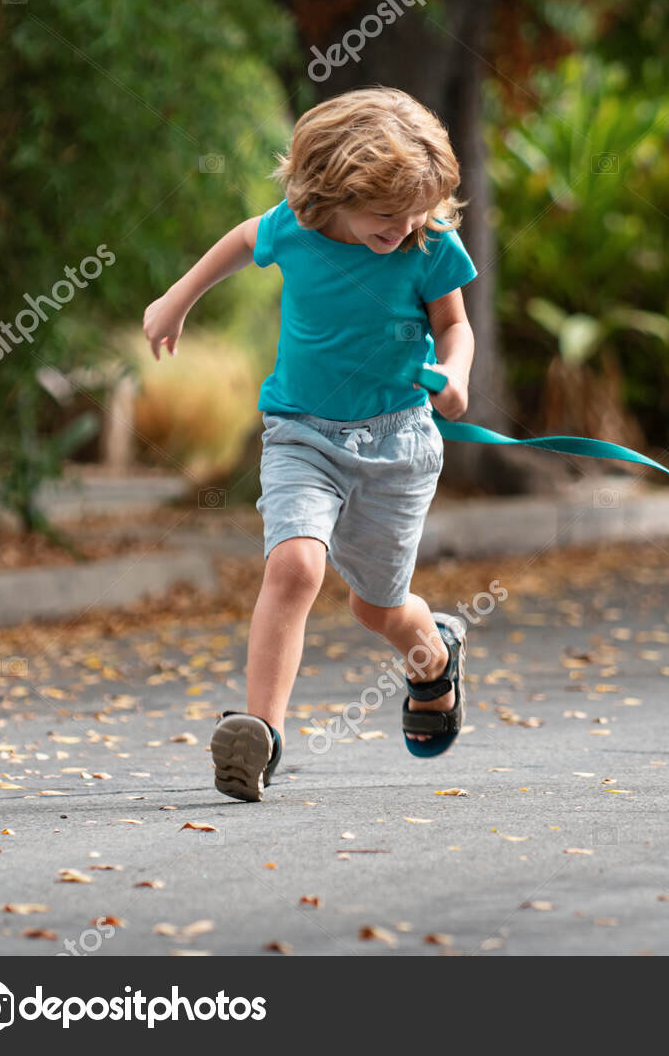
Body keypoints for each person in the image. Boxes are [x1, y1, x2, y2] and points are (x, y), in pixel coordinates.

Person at [142, 87, 476, 802]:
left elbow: (455, 326)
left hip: (398, 444)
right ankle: (260, 734)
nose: (404, 225)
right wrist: (177, 299)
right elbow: (240, 239)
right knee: (294, 567)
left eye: (416, 209)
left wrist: (454, 373)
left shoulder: (429, 243)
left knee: (375, 608)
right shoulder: (297, 225)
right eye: (386, 214)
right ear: (333, 189)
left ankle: (434, 655)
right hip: (302, 433)